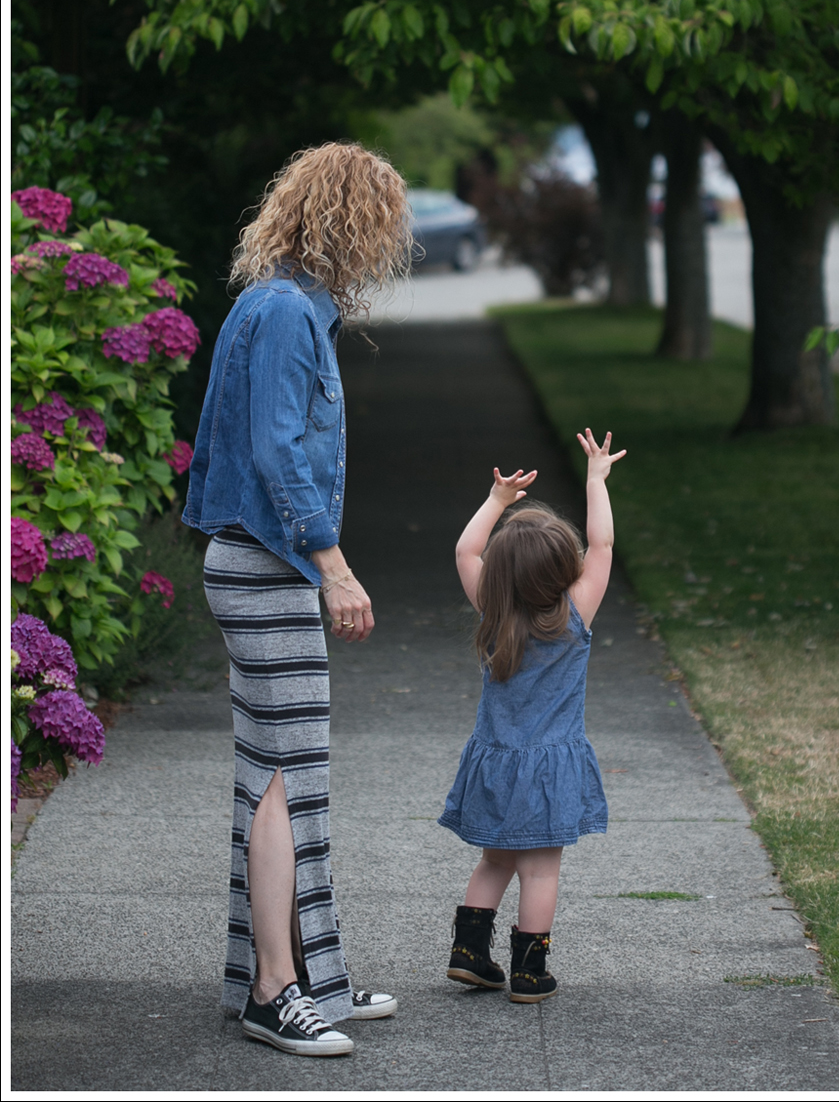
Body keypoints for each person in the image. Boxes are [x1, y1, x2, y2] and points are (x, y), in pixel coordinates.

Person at [184, 142, 411, 1057]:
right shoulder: (283, 312)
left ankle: (297, 972)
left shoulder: (275, 304)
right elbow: (278, 452)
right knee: (284, 778)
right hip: (267, 566)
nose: (394, 240)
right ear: (353, 220)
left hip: (256, 565)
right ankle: (276, 993)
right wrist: (337, 565)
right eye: (386, 220)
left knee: (278, 780)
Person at [438, 427, 625, 1002]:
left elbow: (466, 551)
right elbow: (603, 548)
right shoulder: (574, 616)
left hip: (495, 762)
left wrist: (496, 501)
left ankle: (469, 954)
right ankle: (528, 971)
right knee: (540, 871)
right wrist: (596, 480)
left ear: (499, 575)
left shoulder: (493, 612)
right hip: (550, 770)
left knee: (496, 860)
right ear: (562, 571)